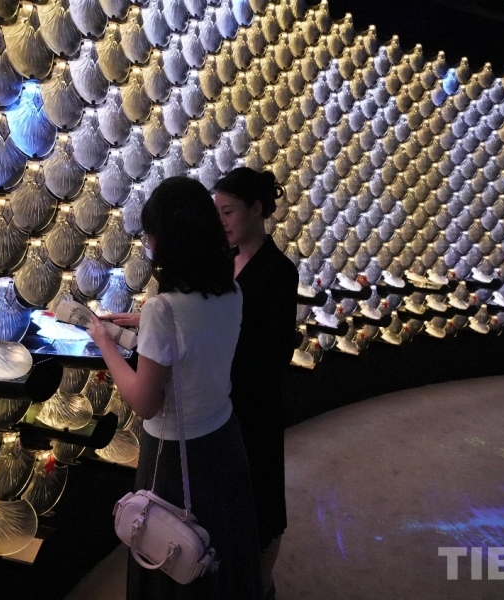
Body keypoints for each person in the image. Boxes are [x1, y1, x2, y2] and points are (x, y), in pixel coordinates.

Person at [87, 176, 262, 600]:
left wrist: (105, 343)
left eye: (151, 235)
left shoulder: (164, 310)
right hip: (224, 440)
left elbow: (145, 401)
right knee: (215, 550)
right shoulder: (232, 291)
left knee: (169, 551)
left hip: (174, 454)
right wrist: (145, 322)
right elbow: (197, 340)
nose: (148, 243)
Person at [213, 167, 298, 600]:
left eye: (228, 211)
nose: (221, 221)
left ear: (257, 209)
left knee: (262, 502)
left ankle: (262, 588)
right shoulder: (222, 262)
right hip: (222, 400)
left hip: (255, 403)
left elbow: (276, 352)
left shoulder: (279, 271)